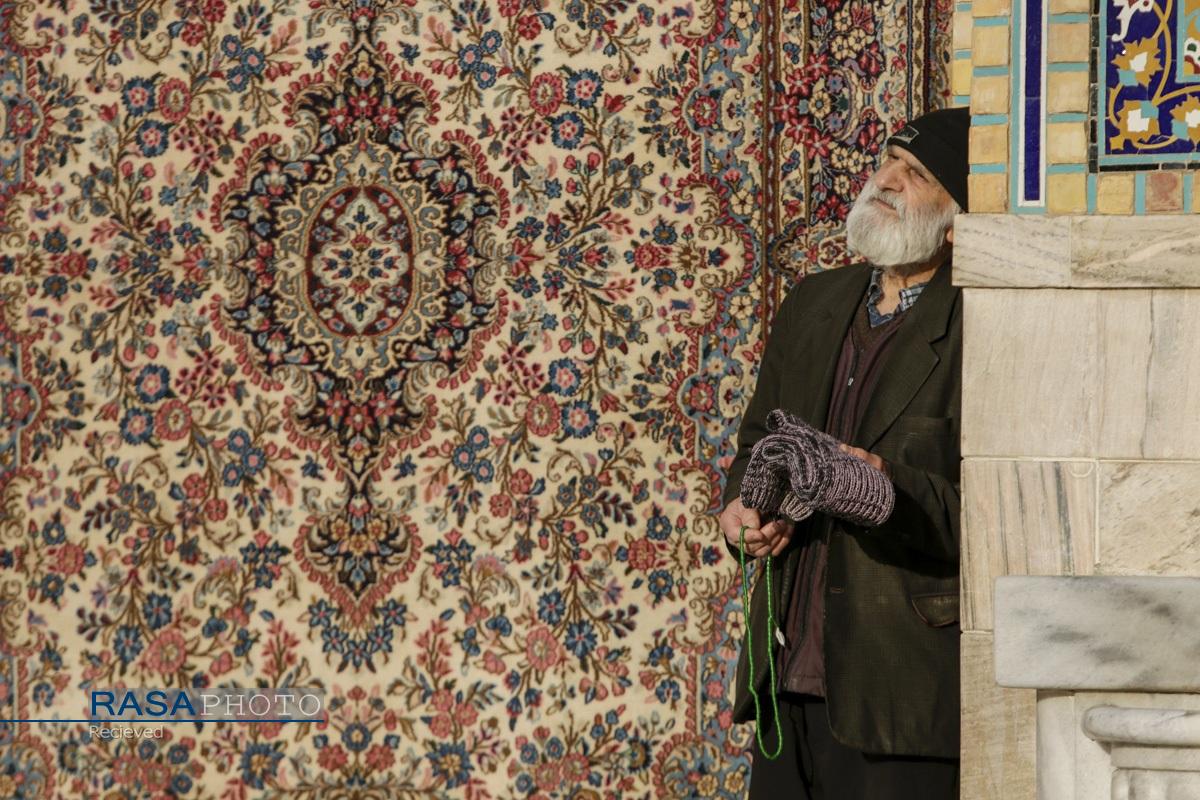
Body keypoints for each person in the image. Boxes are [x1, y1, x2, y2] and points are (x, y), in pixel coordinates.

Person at [719, 107, 969, 799]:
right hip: (787, 673)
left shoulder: (978, 323)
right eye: (889, 159)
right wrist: (742, 512)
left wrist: (887, 491)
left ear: (957, 220)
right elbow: (756, 444)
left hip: (900, 695)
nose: (886, 179)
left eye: (916, 174)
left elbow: (1002, 514)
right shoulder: (814, 302)